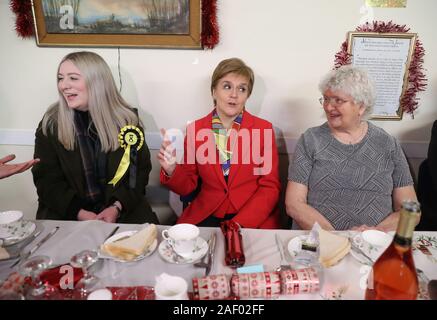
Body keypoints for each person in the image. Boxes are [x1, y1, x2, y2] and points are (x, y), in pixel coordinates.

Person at [285, 65, 417, 231]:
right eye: (326, 99)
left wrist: (374, 234)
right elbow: (294, 204)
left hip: (375, 245)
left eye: (338, 100)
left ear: (361, 106)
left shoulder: (388, 144)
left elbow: (411, 209)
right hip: (321, 241)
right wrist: (336, 237)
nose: (328, 106)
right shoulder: (310, 140)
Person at [32, 51, 158, 224]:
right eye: (61, 78)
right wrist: (79, 212)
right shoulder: (50, 124)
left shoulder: (127, 121)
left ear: (97, 82)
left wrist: (116, 207)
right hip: (68, 217)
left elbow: (137, 175)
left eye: (73, 78)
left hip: (122, 214)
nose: (63, 85)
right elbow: (47, 181)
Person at [159, 58, 281, 228]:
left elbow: (269, 187)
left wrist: (239, 224)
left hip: (252, 217)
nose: (234, 95)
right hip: (207, 214)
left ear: (247, 95)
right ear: (214, 91)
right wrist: (172, 170)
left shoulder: (263, 130)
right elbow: (187, 186)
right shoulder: (195, 130)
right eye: (227, 86)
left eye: (242, 89)